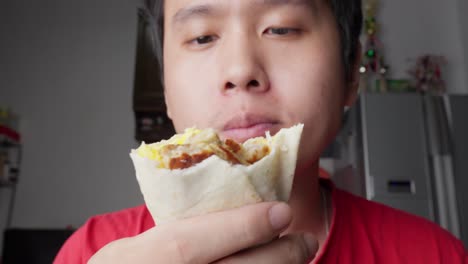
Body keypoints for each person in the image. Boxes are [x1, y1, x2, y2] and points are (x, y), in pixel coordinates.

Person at [54, 0, 467, 263]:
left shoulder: (435, 254)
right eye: (202, 37)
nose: (240, 71)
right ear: (166, 89)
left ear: (350, 74)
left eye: (282, 28)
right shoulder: (91, 251)